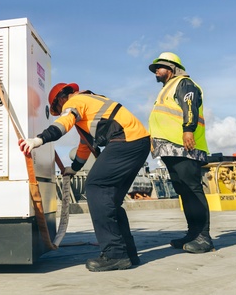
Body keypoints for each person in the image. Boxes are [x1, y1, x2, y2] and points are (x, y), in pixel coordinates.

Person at [20, 82, 150, 272]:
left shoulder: (76, 101)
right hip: (137, 142)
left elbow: (63, 123)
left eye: (58, 108)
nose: (61, 111)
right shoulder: (90, 105)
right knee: (111, 201)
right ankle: (127, 253)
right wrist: (73, 168)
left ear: (61, 99)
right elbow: (84, 146)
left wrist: (38, 140)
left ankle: (115, 254)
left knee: (96, 187)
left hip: (126, 141)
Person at [148, 51, 214, 254]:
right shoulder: (167, 89)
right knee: (183, 190)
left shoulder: (184, 84)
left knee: (192, 189)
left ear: (171, 68)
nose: (156, 71)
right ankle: (192, 233)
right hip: (170, 147)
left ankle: (203, 237)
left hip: (184, 146)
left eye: (159, 67)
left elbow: (189, 106)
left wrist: (188, 131)